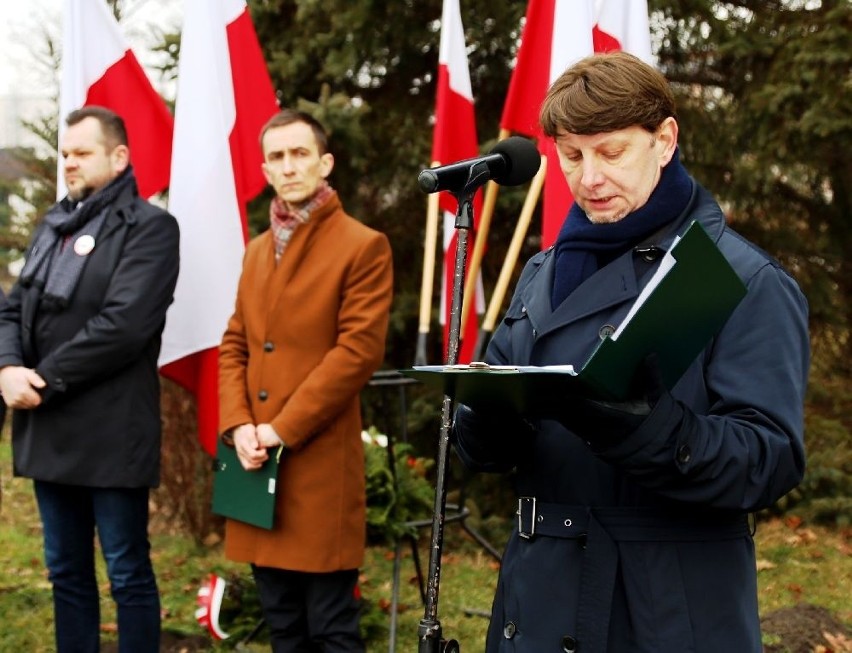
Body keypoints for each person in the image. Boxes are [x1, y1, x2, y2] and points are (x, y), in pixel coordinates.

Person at [452, 52, 809, 653]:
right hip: (534, 601)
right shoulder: (542, 270)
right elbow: (506, 420)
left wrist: (648, 430)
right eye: (572, 155)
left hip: (659, 612)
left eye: (611, 152)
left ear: (664, 141)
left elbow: (768, 460)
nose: (589, 178)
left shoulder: (739, 277)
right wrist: (487, 424)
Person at [0, 106, 180, 652]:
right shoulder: (53, 226)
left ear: (118, 156)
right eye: (65, 154)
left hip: (111, 433)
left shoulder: (151, 228)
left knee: (126, 573)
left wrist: (43, 380)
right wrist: (8, 367)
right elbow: (12, 309)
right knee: (66, 572)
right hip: (50, 429)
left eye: (81, 153)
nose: (69, 164)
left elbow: (123, 326)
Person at [218, 108, 394, 652]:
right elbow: (235, 345)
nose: (289, 166)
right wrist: (239, 425)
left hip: (316, 465)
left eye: (299, 154)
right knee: (281, 624)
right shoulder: (253, 252)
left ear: (325, 162)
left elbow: (356, 353)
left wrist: (280, 429)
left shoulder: (362, 245)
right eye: (277, 157)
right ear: (266, 169)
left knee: (331, 626)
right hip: (253, 465)